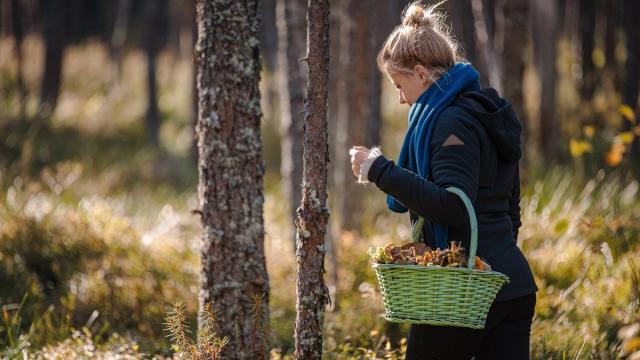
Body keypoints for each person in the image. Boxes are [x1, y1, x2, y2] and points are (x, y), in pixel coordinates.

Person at [349, 2, 538, 359]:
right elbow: (511, 209)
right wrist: (495, 254)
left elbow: (454, 205)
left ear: (421, 74)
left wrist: (379, 170)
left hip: (463, 292)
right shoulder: (484, 111)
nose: (401, 98)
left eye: (399, 83)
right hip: (512, 285)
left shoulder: (453, 121)